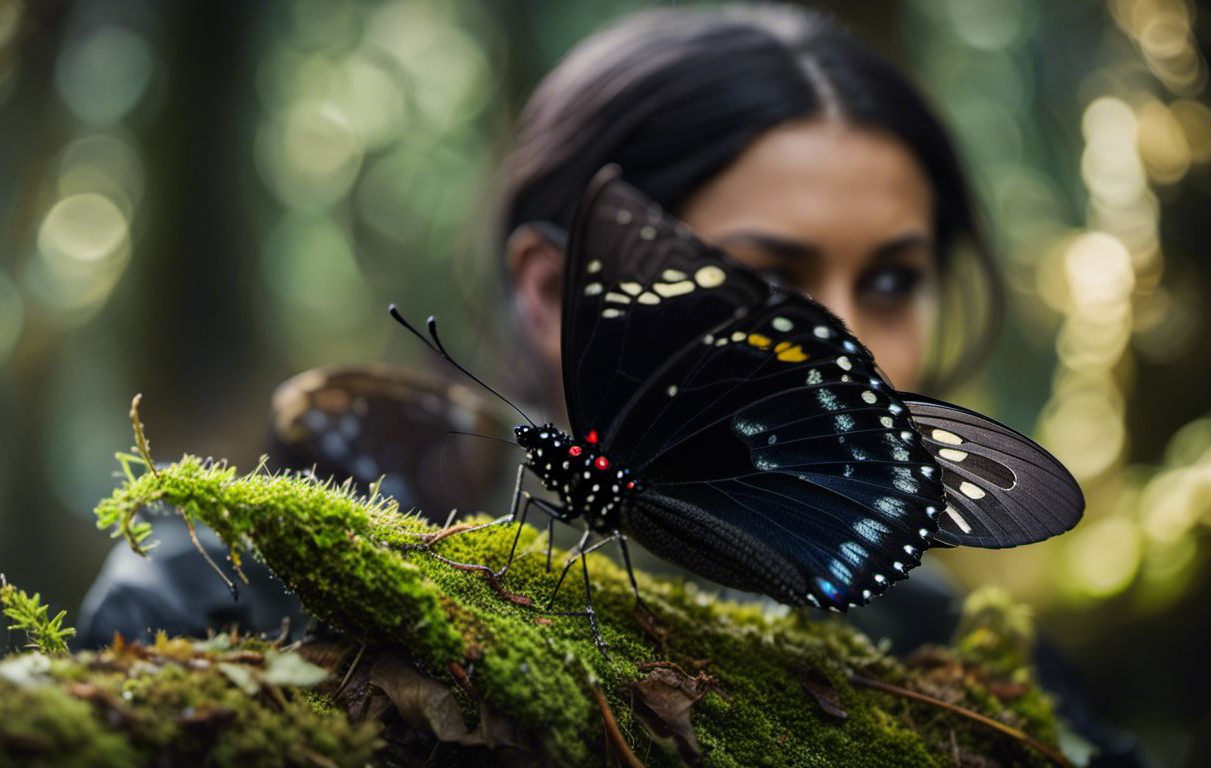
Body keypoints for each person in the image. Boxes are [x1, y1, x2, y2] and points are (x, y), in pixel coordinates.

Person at [79, 5, 1141, 764]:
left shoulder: (934, 640)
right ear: (556, 292)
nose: (849, 345)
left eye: (895, 279)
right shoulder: (241, 587)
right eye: (769, 284)